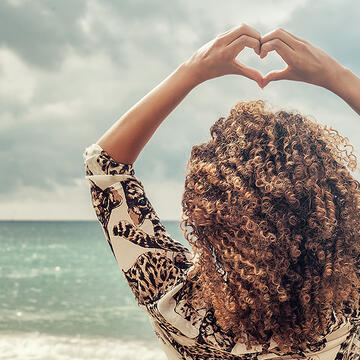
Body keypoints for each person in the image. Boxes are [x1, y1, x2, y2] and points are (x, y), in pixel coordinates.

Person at [82, 24, 360, 360]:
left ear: (207, 217)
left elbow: (105, 167)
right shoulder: (349, 308)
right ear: (335, 210)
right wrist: (336, 75)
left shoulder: (179, 308)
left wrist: (192, 71)